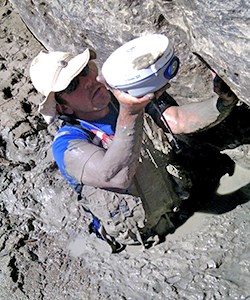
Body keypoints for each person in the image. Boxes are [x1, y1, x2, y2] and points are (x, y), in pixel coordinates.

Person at [29, 48, 238, 251]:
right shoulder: (67, 144)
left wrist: (222, 103)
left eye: (84, 71)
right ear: (63, 107)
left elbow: (177, 120)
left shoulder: (122, 98)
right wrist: (131, 113)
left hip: (177, 207)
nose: (87, 82)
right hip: (140, 239)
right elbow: (115, 177)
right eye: (73, 84)